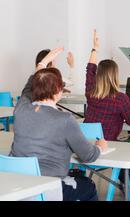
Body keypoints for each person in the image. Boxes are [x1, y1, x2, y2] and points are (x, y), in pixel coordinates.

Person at [10, 47, 108, 201]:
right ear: (58, 90)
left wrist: (42, 64)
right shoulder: (64, 120)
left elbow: (28, 88)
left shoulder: (21, 108)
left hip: (19, 185)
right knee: (88, 185)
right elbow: (88, 155)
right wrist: (100, 147)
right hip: (48, 188)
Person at [83, 30, 130, 196]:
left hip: (85, 147)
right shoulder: (120, 99)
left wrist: (94, 49)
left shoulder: (90, 93)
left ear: (99, 76)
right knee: (128, 148)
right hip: (107, 147)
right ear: (115, 76)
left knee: (122, 145)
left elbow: (89, 71)